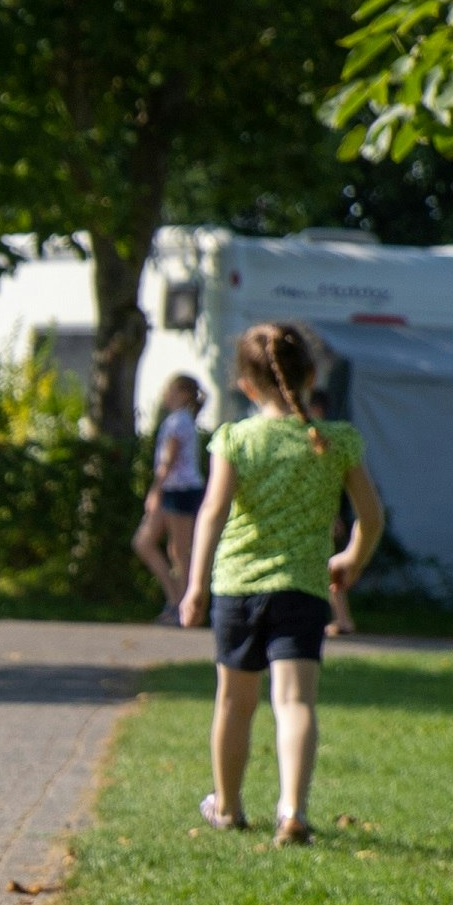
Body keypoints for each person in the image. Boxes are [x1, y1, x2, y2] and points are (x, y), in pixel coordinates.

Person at [179, 318, 384, 846]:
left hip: (238, 589)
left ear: (246, 386)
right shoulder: (335, 441)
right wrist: (351, 560)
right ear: (314, 375)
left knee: (234, 702)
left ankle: (227, 807)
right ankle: (292, 810)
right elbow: (371, 517)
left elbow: (212, 512)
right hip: (303, 590)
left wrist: (195, 584)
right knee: (294, 703)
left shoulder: (237, 439)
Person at [132, 372, 208, 621]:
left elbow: (168, 461)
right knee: (145, 542)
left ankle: (183, 607)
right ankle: (176, 597)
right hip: (175, 489)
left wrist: (155, 490)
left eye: (171, 390)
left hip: (180, 490)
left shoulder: (179, 421)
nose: (166, 394)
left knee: (180, 551)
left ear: (183, 395)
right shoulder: (180, 420)